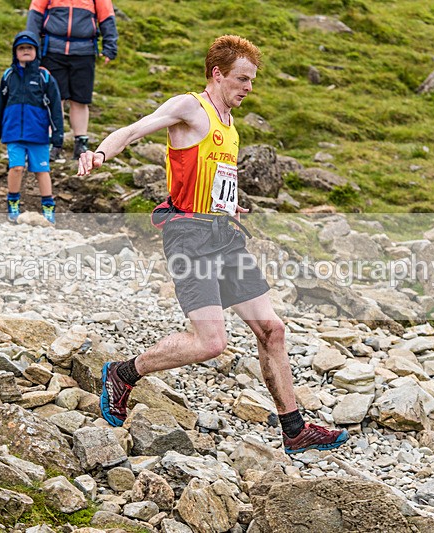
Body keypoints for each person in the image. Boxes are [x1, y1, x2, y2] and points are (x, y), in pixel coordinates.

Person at [77, 35, 349, 455]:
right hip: (189, 235)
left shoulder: (229, 122)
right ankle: (125, 373)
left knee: (271, 329)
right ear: (217, 74)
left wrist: (230, 205)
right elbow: (134, 129)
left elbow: (214, 176)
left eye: (253, 81)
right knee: (210, 343)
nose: (248, 87)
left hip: (224, 233)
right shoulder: (190, 107)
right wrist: (100, 152)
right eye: (242, 78)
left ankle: (294, 430)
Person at [26, 0, 118, 161]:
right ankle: (51, 143)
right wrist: (31, 45)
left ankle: (80, 143)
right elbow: (35, 14)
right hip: (52, 50)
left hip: (84, 52)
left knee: (80, 100)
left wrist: (110, 46)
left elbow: (106, 16)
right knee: (54, 99)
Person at [0, 31, 64, 224]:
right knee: (16, 168)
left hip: (38, 133)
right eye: (21, 48)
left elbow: (56, 107)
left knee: (42, 170)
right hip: (13, 132)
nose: (25, 51)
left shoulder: (44, 76)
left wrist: (58, 135)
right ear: (15, 52)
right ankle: (13, 201)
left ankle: (48, 206)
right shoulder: (8, 76)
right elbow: (1, 106)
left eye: (29, 48)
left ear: (36, 51)